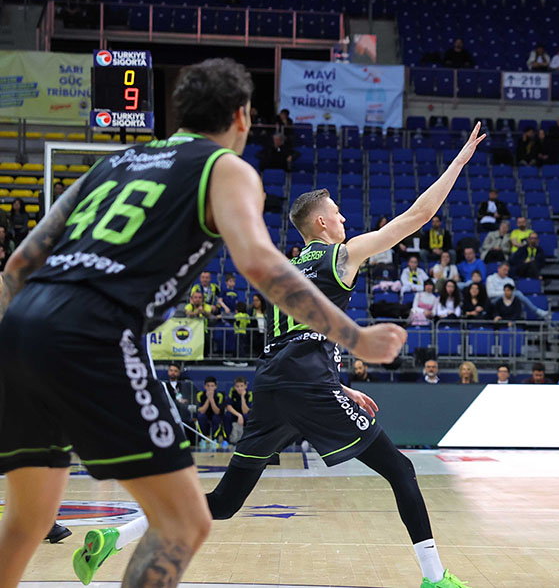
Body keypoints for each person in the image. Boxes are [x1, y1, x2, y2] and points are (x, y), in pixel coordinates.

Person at [0, 58, 402, 588]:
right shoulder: (225, 168)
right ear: (241, 117)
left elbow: (17, 267)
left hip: (22, 327)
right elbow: (259, 264)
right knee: (184, 521)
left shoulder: (113, 164)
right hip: (96, 331)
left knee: (27, 520)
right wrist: (356, 337)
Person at [70, 120, 484, 588]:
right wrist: (459, 162)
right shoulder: (340, 256)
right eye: (338, 215)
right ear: (321, 223)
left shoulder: (284, 271)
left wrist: (338, 385)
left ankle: (118, 534)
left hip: (272, 384)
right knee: (401, 469)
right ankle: (434, 578)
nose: (344, 221)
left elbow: (291, 338)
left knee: (224, 502)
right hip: (307, 383)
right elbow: (416, 217)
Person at [222, 376, 252, 445]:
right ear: (235, 387)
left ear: (245, 386)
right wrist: (239, 415)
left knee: (248, 416)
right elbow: (228, 406)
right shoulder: (232, 391)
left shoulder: (249, 394)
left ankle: (247, 439)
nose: (239, 388)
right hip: (235, 413)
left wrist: (242, 397)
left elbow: (245, 411)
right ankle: (226, 440)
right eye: (237, 386)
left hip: (244, 414)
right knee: (227, 416)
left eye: (241, 386)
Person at [194, 377, 224, 442]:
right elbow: (202, 411)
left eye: (212, 386)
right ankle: (203, 439)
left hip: (214, 414)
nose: (210, 388)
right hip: (205, 414)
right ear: (205, 386)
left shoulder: (220, 395)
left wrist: (212, 399)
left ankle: (214, 439)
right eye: (208, 386)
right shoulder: (200, 394)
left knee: (217, 417)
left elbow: (217, 412)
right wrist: (208, 399)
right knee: (201, 416)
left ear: (215, 387)